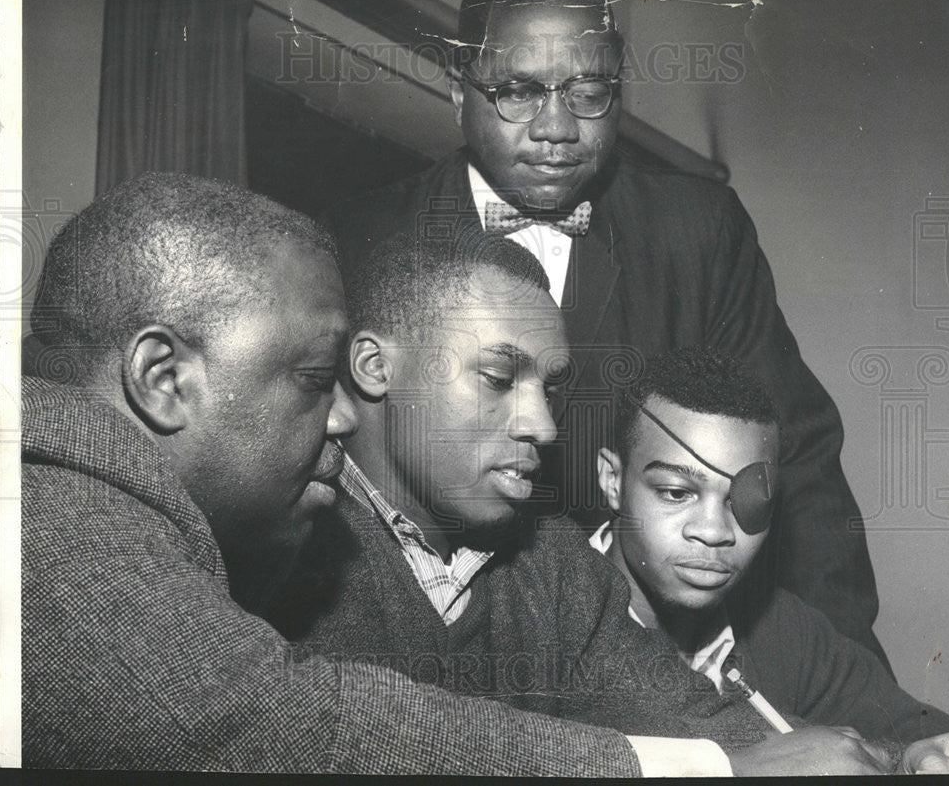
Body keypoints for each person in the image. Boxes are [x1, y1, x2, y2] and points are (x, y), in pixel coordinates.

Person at [23, 172, 717, 776]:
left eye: (552, 389)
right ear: (161, 377)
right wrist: (693, 766)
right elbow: (267, 720)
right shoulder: (41, 514)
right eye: (314, 379)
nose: (338, 419)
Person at [327, 0, 889, 667]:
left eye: (590, 93)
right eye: (518, 91)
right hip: (432, 656)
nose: (557, 127)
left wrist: (848, 676)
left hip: (656, 653)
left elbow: (796, 465)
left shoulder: (698, 233)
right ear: (455, 88)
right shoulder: (358, 237)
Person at [272, 235, 908, 776]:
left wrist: (897, 758)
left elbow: (691, 717)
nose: (544, 426)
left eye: (550, 388)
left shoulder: (550, 559)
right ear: (374, 367)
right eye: (499, 379)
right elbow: (360, 734)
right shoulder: (276, 544)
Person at [590, 348, 949, 772]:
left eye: (747, 503)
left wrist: (916, 752)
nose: (715, 530)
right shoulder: (538, 604)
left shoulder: (782, 629)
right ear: (613, 480)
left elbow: (910, 726)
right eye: (676, 493)